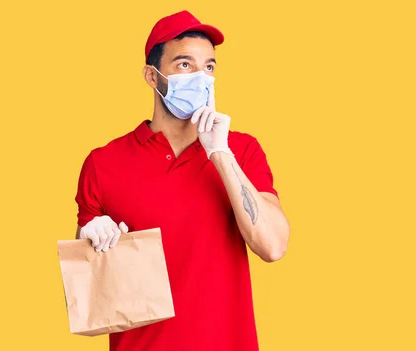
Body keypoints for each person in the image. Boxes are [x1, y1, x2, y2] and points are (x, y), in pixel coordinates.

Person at [74, 10, 290, 351]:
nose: (201, 78)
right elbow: (87, 295)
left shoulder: (242, 150)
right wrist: (91, 237)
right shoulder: (104, 163)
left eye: (209, 67)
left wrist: (220, 153)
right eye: (185, 65)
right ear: (152, 76)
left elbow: (273, 246)